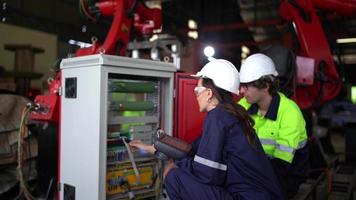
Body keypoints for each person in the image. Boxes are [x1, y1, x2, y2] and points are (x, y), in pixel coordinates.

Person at [130, 59, 284, 200]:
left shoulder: (217, 117)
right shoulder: (230, 114)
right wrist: (155, 148)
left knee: (174, 177)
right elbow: (192, 150)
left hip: (247, 197)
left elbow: (208, 174)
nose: (196, 95)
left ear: (209, 93)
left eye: (197, 91)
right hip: (260, 195)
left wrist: (175, 165)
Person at [238, 53, 309, 198]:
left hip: (287, 174)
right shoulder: (245, 104)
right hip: (257, 166)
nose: (241, 91)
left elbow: (281, 165)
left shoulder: (290, 112)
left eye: (247, 86)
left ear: (265, 86)